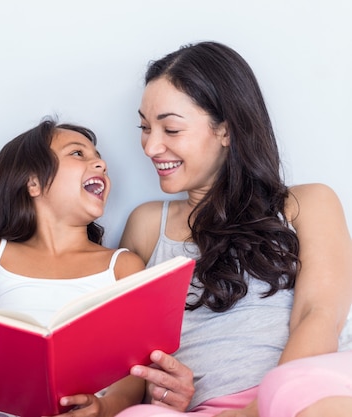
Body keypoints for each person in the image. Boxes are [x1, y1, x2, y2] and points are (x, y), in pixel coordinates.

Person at [115, 41, 352, 417]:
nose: (150, 146)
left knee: (291, 390)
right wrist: (160, 392)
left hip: (299, 393)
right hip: (202, 410)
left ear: (226, 130)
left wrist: (256, 409)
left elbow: (318, 314)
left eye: (171, 129)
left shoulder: (308, 203)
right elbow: (129, 353)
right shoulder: (146, 225)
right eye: (144, 127)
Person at [0, 118, 147, 417]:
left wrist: (104, 408)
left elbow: (134, 372)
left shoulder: (123, 267)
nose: (100, 164)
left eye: (99, 159)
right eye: (78, 153)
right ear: (33, 182)